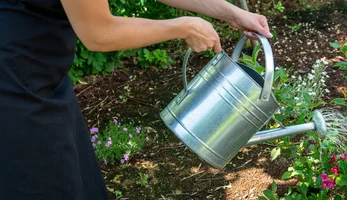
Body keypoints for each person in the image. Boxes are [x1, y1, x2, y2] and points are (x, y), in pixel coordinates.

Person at [0, 0, 272, 199]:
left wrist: (231, 13)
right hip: (15, 90)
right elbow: (98, 33)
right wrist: (183, 26)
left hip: (42, 76)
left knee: (82, 186)